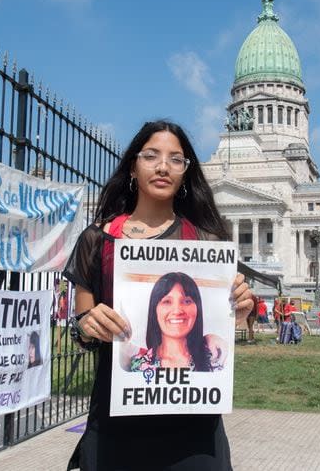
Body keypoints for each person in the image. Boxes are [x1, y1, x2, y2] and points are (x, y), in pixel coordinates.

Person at [62, 120, 254, 471]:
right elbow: (79, 334)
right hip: (118, 421)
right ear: (133, 166)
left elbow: (226, 318)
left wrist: (239, 308)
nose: (163, 166)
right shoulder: (97, 241)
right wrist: (88, 325)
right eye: (151, 156)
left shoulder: (206, 242)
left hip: (194, 428)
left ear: (185, 172)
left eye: (175, 159)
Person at [120, 272, 228, 370]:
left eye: (186, 301)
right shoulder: (137, 367)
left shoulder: (217, 357)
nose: (177, 311)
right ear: (155, 310)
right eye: (167, 301)